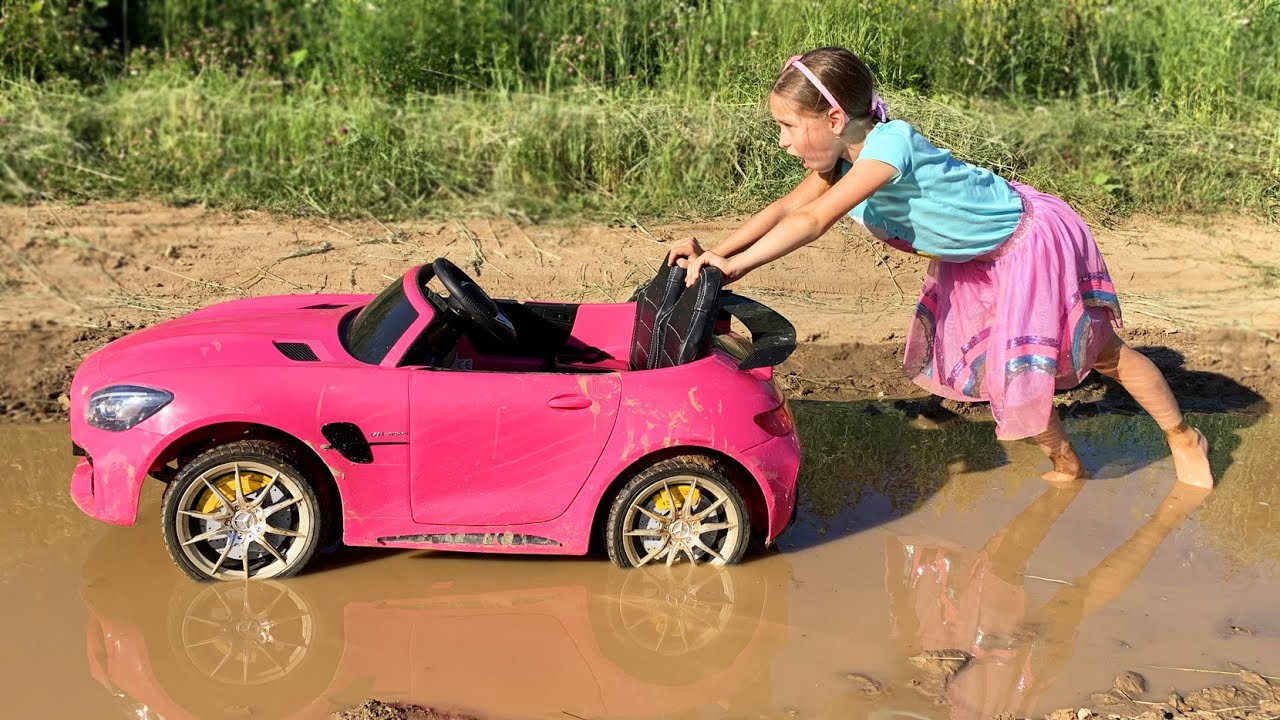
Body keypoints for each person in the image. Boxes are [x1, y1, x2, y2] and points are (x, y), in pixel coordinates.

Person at [668, 46, 1212, 489]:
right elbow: (788, 208)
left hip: (1029, 244)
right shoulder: (841, 159)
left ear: (835, 118)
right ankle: (1068, 462)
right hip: (976, 262)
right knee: (1007, 373)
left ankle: (1185, 438)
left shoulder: (890, 144)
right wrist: (716, 251)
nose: (783, 140)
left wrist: (733, 266)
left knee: (1103, 355)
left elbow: (813, 222)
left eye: (788, 126)